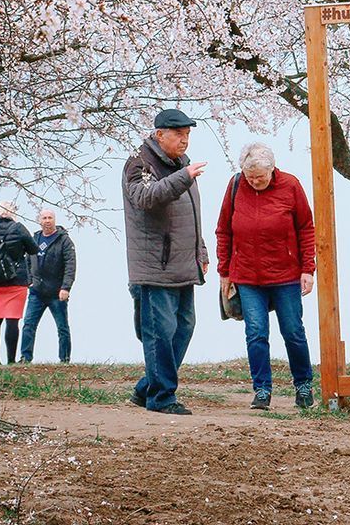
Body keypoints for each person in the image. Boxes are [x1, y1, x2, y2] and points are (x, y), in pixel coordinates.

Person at [216, 142, 317, 411]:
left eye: (260, 176)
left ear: (272, 169)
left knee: (293, 331)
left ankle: (303, 385)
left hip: (286, 274)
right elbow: (224, 230)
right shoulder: (235, 186)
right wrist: (224, 271)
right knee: (256, 333)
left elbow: (306, 228)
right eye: (250, 177)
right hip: (247, 275)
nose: (255, 181)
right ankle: (262, 390)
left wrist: (308, 269)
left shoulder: (290, 185)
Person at [124, 107, 210, 414]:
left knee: (184, 327)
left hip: (184, 263)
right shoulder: (139, 163)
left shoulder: (182, 163)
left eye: (187, 135)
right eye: (178, 134)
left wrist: (201, 251)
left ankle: (145, 388)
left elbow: (191, 215)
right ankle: (161, 398)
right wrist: (182, 178)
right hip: (155, 266)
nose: (184, 140)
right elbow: (145, 198)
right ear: (159, 135)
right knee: (160, 332)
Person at [0, 204, 37, 364]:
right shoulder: (18, 228)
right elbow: (33, 249)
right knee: (12, 320)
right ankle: (11, 360)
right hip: (16, 279)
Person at [20, 207, 77, 363]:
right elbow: (27, 261)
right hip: (37, 292)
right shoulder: (34, 239)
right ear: (39, 221)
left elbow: (70, 265)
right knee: (28, 325)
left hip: (57, 292)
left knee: (62, 328)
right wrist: (30, 281)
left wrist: (66, 287)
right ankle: (25, 357)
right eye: (44, 218)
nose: (47, 221)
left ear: (54, 220)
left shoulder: (64, 240)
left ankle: (64, 359)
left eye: (50, 218)